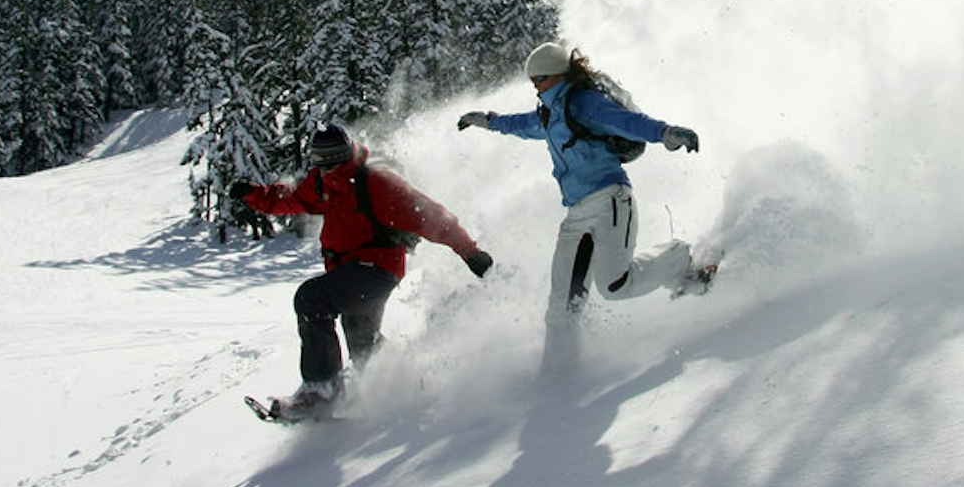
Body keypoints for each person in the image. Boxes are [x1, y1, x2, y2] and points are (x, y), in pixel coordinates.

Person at [457, 42, 709, 377]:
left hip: (609, 200)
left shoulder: (583, 102)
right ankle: (558, 377)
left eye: (542, 78)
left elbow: (626, 122)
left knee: (616, 285)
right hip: (576, 214)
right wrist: (488, 121)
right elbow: (520, 124)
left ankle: (680, 256)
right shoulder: (549, 115)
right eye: (533, 80)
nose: (537, 86)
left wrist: (664, 133)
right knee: (562, 305)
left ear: (560, 74)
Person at [231, 123, 493, 420]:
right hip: (349, 272)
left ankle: (321, 392)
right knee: (362, 342)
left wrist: (470, 252)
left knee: (311, 299)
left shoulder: (378, 183)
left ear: (347, 155)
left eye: (332, 162)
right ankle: (405, 386)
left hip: (377, 271)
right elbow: (293, 199)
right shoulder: (322, 182)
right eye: (320, 162)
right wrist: (255, 195)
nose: (327, 169)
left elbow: (431, 216)